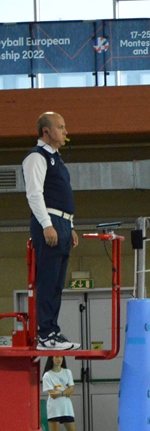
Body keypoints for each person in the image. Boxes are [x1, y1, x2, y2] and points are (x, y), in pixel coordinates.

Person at [23, 112, 80, 351]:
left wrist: (70, 226)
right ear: (46, 131)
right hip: (49, 222)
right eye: (61, 127)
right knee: (47, 280)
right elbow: (34, 194)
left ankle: (53, 331)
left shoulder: (58, 160)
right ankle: (45, 334)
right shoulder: (37, 157)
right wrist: (47, 224)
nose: (66, 132)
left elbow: (61, 195)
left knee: (57, 283)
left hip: (63, 224)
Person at [42, 355, 94, 431]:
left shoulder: (67, 372)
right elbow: (52, 394)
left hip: (66, 407)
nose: (59, 359)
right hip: (54, 407)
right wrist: (65, 392)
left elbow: (71, 388)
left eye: (61, 357)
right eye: (56, 357)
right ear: (51, 359)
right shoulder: (47, 375)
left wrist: (60, 392)